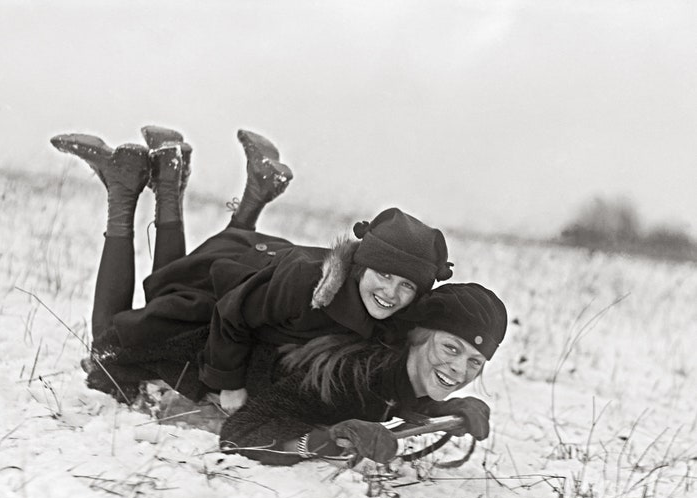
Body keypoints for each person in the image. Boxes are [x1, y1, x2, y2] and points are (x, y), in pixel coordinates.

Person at [50, 126, 454, 411]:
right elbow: (235, 313)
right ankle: (125, 189)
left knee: (162, 293)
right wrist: (229, 383)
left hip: (247, 267)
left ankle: (179, 174)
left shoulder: (382, 312)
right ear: (362, 266)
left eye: (406, 286)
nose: (392, 292)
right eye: (384, 275)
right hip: (221, 292)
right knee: (110, 347)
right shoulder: (314, 284)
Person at [219, 282, 508, 466]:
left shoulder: (397, 372)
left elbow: (399, 395)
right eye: (451, 348)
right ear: (418, 337)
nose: (460, 370)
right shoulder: (349, 376)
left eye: (475, 362)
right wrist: (325, 440)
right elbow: (238, 434)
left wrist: (443, 410)